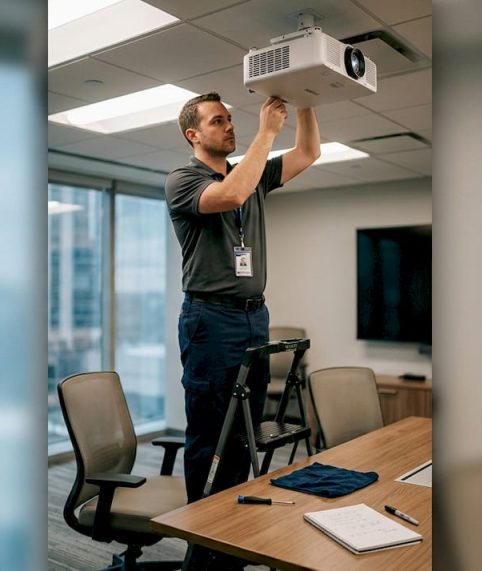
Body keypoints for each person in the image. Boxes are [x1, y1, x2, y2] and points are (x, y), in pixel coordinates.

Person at [164, 92, 319, 569]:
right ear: (194, 134)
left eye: (231, 119)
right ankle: (201, 544)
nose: (229, 126)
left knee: (244, 433)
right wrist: (266, 131)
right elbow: (230, 195)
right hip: (211, 320)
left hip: (254, 315)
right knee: (210, 433)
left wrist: (308, 99)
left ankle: (228, 541)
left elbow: (309, 153)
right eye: (218, 121)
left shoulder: (246, 172)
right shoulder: (183, 180)